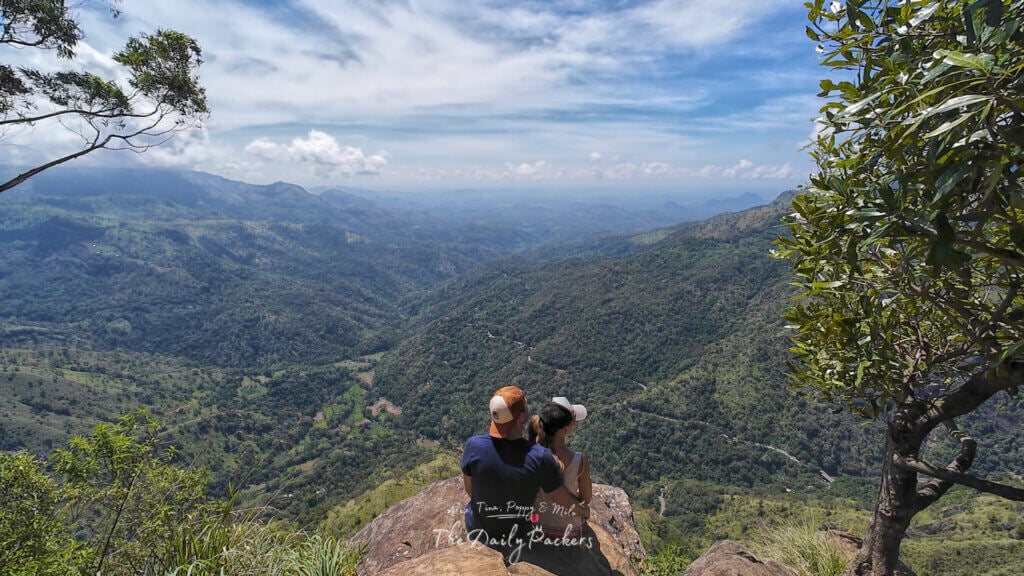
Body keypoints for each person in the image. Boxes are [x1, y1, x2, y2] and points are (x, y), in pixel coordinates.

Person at [461, 386, 590, 555]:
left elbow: (470, 490)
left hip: (478, 528)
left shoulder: (473, 445)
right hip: (518, 534)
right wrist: (584, 511)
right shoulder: (538, 457)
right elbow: (562, 500)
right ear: (521, 416)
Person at [527, 397, 592, 540]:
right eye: (573, 420)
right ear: (566, 429)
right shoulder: (579, 461)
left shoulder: (529, 455)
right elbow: (586, 498)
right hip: (569, 530)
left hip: (535, 526)